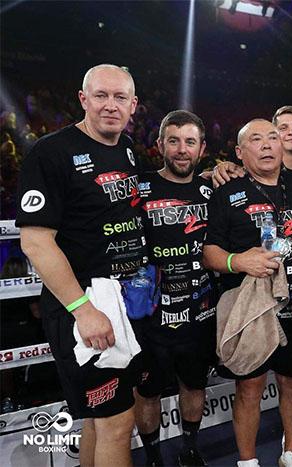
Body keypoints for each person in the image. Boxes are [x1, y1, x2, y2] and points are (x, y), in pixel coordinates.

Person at [16, 64, 144, 467]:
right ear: (83, 99)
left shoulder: (126, 148)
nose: (110, 105)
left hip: (120, 301)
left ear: (133, 105)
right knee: (118, 424)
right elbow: (35, 241)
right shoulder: (51, 152)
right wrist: (83, 310)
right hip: (84, 304)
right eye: (101, 96)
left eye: (120, 97)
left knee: (100, 421)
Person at [203, 119, 292, 467]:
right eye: (256, 139)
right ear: (239, 152)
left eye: (273, 137)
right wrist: (239, 261)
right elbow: (209, 253)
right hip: (253, 308)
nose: (267, 145)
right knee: (250, 388)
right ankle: (248, 461)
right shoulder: (227, 192)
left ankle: (291, 452)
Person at [134, 110, 215, 467]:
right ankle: (153, 458)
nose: (182, 149)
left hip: (200, 311)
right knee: (147, 391)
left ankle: (190, 449)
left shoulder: (213, 190)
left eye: (190, 142)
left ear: (201, 149)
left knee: (194, 386)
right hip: (150, 316)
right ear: (160, 144)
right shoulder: (139, 187)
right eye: (174, 141)